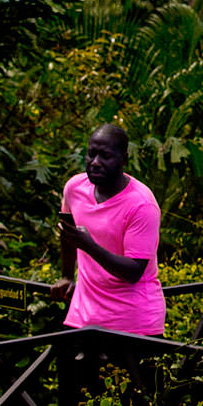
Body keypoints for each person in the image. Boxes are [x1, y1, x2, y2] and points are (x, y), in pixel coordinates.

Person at [59, 123, 166, 338]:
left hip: (133, 323)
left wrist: (89, 245)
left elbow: (134, 271)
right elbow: (68, 234)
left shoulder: (141, 204)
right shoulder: (74, 188)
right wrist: (66, 276)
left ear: (123, 160)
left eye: (105, 156)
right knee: (68, 370)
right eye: (91, 155)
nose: (95, 163)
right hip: (82, 317)